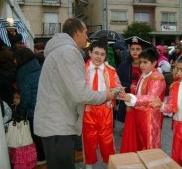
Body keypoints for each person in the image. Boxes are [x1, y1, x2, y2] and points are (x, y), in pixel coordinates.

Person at [33, 18, 115, 169]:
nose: (87, 37)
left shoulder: (60, 50)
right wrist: (106, 95)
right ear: (77, 33)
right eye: (85, 33)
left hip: (54, 123)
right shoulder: (69, 52)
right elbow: (81, 94)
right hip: (57, 126)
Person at [83, 40, 121, 169]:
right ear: (90, 53)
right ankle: (89, 166)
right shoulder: (82, 70)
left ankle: (109, 165)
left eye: (102, 54)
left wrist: (115, 92)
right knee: (88, 140)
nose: (99, 57)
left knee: (107, 141)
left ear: (106, 56)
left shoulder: (111, 71)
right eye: (96, 53)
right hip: (88, 110)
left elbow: (118, 88)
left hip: (105, 110)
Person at [119, 48, 166, 152]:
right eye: (140, 62)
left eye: (145, 62)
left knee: (150, 144)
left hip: (150, 116)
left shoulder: (158, 77)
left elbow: (151, 96)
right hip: (139, 113)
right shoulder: (144, 75)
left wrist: (131, 98)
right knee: (140, 142)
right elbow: (141, 91)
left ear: (154, 63)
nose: (142, 65)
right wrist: (130, 91)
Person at [13, 47, 46, 167]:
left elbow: (25, 97)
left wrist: (20, 112)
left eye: (15, 59)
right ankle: (44, 156)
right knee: (41, 134)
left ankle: (41, 158)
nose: (14, 61)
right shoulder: (37, 68)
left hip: (32, 109)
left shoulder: (24, 73)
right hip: (42, 106)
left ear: (21, 59)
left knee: (35, 135)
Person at [116, 36, 152, 123]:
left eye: (138, 49)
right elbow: (117, 81)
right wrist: (129, 85)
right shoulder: (123, 65)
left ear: (142, 50)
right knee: (129, 121)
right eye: (132, 49)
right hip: (128, 97)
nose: (135, 51)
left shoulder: (148, 65)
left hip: (143, 98)